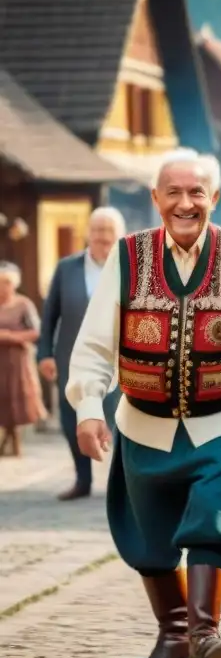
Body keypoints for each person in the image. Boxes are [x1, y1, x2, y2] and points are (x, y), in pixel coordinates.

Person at [65, 148, 221, 658]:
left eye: (197, 193)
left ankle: (204, 636)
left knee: (211, 522)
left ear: (214, 198)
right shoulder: (128, 255)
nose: (185, 203)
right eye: (174, 192)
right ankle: (172, 637)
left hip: (220, 422)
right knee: (148, 534)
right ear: (156, 199)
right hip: (142, 423)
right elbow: (96, 342)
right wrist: (87, 407)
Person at [38, 207, 124, 500]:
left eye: (108, 230)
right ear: (87, 233)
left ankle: (123, 483)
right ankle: (83, 479)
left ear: (118, 234)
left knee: (117, 420)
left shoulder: (128, 268)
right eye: (97, 229)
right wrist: (44, 354)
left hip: (117, 360)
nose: (102, 236)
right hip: (71, 358)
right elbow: (50, 315)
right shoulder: (67, 268)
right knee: (70, 418)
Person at [0, 262, 46, 456]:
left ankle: (12, 442)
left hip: (17, 359)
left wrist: (11, 337)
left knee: (15, 397)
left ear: (14, 284)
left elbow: (37, 331)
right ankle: (9, 442)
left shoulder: (23, 304)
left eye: (6, 282)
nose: (3, 287)